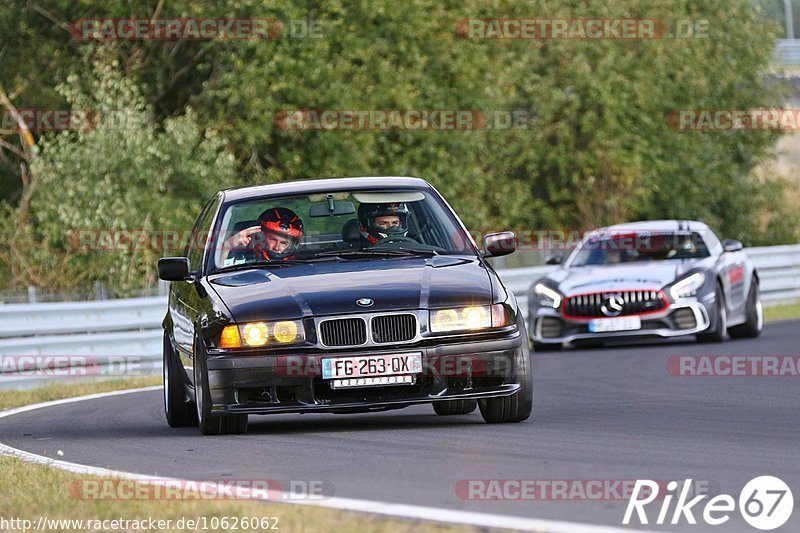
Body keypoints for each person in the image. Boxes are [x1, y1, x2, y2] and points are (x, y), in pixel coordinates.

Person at [221, 207, 304, 263]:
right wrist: (228, 246)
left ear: (293, 245)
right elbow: (218, 272)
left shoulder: (302, 265)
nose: (276, 247)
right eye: (272, 239)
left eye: (284, 243)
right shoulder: (242, 256)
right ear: (260, 236)